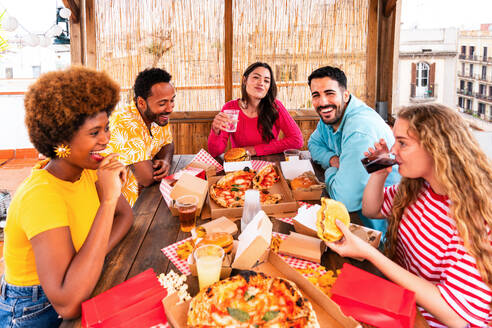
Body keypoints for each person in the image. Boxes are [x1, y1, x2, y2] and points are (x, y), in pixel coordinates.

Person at [328, 104, 492, 327]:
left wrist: (371, 254)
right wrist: (378, 172)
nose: (393, 151)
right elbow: (371, 209)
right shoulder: (418, 187)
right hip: (402, 303)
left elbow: (456, 316)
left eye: (402, 143)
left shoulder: (478, 217)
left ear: (436, 148)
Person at [0, 67, 134, 327]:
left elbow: (126, 216)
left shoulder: (86, 171)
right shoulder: (41, 196)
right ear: (61, 139)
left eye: (106, 128)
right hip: (35, 311)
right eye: (94, 133)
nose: (106, 139)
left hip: (77, 287)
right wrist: (107, 201)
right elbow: (68, 303)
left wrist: (89, 260)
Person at [307, 65, 399, 234]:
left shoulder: (360, 129)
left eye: (330, 93)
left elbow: (345, 200)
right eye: (316, 95)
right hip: (355, 216)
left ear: (346, 95)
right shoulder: (331, 116)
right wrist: (332, 159)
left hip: (378, 230)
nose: (323, 102)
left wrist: (331, 171)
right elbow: (313, 143)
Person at [104, 68, 175, 207]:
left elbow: (168, 143)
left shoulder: (158, 115)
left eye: (172, 100)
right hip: (117, 209)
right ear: (141, 102)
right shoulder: (124, 122)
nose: (170, 108)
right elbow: (147, 178)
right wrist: (156, 163)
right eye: (162, 103)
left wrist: (165, 161)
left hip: (145, 198)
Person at [208, 62, 303, 157]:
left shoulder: (275, 106)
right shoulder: (230, 108)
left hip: (270, 163)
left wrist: (255, 150)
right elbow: (215, 153)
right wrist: (216, 131)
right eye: (256, 77)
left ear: (269, 87)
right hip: (240, 165)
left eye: (266, 81)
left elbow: (297, 140)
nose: (261, 83)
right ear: (245, 80)